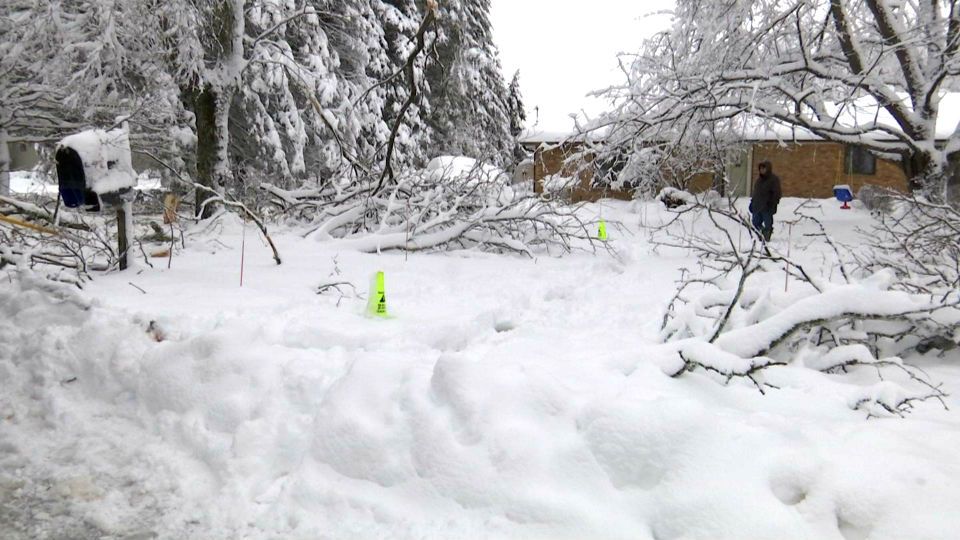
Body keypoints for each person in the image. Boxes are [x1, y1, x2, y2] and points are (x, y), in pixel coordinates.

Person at [749, 160, 782, 242]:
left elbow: (777, 193)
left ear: (768, 169)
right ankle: (761, 234)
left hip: (767, 206)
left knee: (768, 224)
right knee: (755, 223)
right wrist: (752, 202)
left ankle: (767, 236)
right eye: (760, 169)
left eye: (764, 168)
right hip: (757, 206)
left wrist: (773, 203)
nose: (762, 170)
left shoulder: (773, 180)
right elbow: (755, 193)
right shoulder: (758, 181)